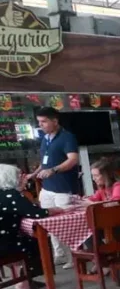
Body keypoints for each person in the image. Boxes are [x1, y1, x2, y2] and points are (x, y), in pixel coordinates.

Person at [0, 163, 64, 289]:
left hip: (4, 240)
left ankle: (26, 278)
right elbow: (37, 213)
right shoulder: (12, 195)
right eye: (19, 176)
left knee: (30, 238)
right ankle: (23, 283)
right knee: (38, 241)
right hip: (5, 246)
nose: (23, 178)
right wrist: (55, 210)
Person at [29, 107, 79, 267]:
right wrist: (34, 173)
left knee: (68, 223)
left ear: (55, 121)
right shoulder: (45, 139)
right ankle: (60, 253)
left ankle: (75, 256)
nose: (41, 125)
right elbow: (45, 162)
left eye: (44, 121)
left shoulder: (67, 137)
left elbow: (72, 160)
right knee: (50, 222)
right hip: (47, 188)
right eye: (39, 122)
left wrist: (54, 170)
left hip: (64, 187)